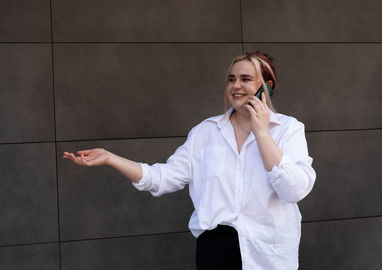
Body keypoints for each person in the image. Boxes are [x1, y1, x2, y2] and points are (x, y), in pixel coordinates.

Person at [63, 51, 316, 270]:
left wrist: (261, 132)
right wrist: (111, 158)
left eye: (246, 79)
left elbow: (293, 190)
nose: (236, 86)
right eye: (231, 79)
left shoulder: (287, 129)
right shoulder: (204, 133)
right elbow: (161, 178)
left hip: (267, 256)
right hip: (214, 253)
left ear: (267, 85)